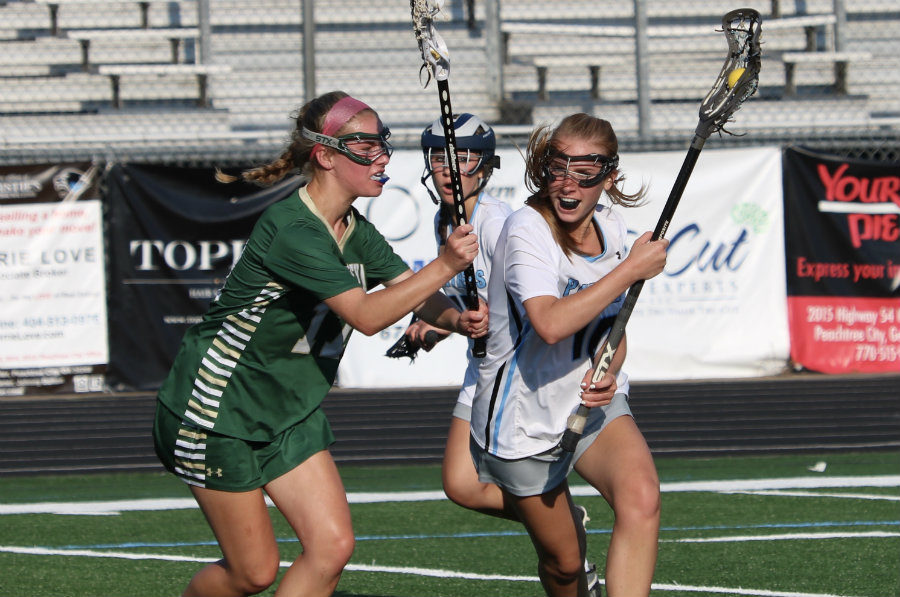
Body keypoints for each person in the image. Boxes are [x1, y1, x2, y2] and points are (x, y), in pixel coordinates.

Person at [152, 90, 488, 597]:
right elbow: (367, 316)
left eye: (383, 144)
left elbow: (413, 295)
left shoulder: (356, 229)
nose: (382, 157)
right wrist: (445, 263)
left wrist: (459, 320)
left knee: (331, 548)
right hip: (218, 412)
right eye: (365, 146)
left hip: (289, 410)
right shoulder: (293, 229)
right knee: (253, 573)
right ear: (326, 155)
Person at [469, 113, 669, 597]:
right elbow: (551, 323)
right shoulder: (526, 229)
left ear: (608, 177)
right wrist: (630, 271)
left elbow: (611, 331)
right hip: (524, 417)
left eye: (585, 173)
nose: (568, 184)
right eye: (558, 168)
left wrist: (611, 370)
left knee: (641, 499)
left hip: (589, 402)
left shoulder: (613, 228)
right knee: (564, 565)